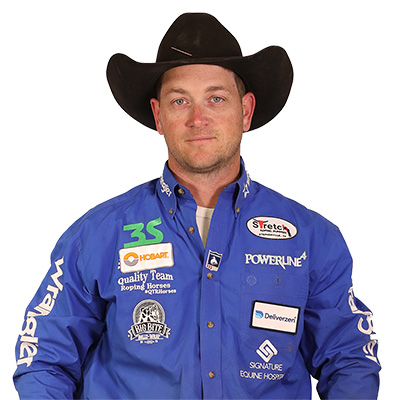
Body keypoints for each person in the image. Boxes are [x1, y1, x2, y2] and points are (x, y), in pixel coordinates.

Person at [13, 12, 380, 399]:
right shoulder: (97, 234)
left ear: (245, 111)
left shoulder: (311, 238)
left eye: (216, 98)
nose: (198, 118)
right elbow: (44, 358)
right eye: (179, 101)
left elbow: (350, 358)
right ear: (159, 115)